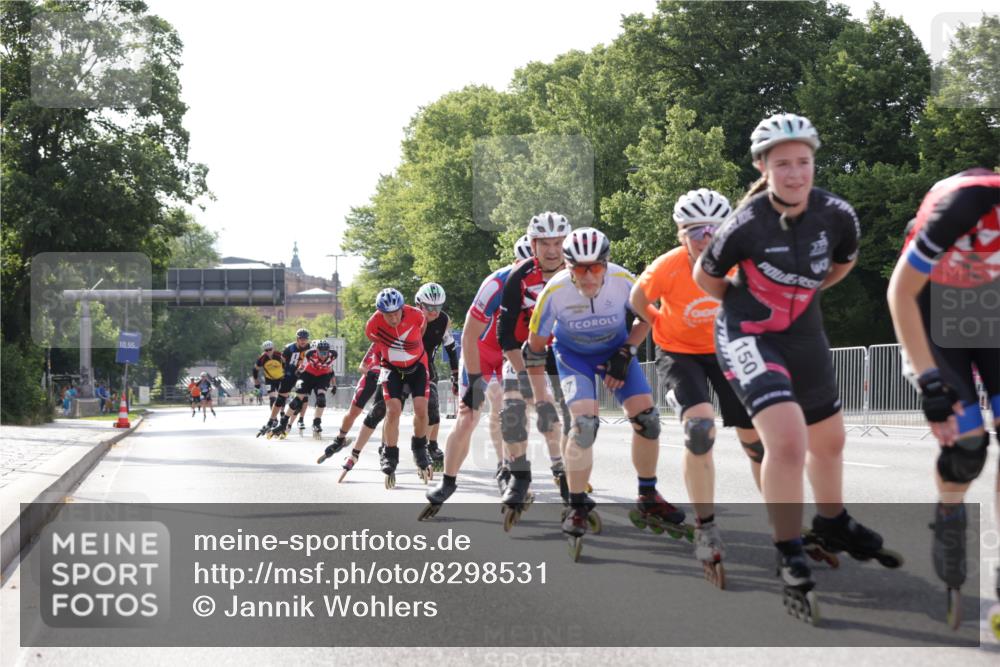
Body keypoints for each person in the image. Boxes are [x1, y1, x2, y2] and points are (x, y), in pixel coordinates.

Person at [693, 112, 899, 621]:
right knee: (787, 443)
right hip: (749, 332)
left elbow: (843, 263)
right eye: (782, 163)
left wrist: (800, 295)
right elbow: (706, 277)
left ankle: (832, 521)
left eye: (803, 162)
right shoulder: (746, 222)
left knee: (831, 441)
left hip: (804, 332)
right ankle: (788, 553)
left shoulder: (837, 214)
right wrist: (748, 302)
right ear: (762, 167)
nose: (795, 173)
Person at [887, 167, 1000, 629]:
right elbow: (901, 292)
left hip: (991, 304)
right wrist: (930, 383)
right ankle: (950, 512)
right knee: (968, 447)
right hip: (931, 301)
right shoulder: (966, 203)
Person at [631, 188, 762, 585]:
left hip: (726, 349)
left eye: (714, 230)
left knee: (757, 442)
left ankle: (784, 519)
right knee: (700, 430)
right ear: (681, 234)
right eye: (695, 231)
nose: (706, 238)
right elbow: (637, 299)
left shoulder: (740, 262)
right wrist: (659, 322)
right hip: (679, 353)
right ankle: (706, 527)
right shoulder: (668, 266)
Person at [527, 227, 678, 558]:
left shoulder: (623, 280)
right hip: (574, 358)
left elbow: (649, 318)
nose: (589, 276)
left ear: (606, 264)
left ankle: (648, 496)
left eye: (596, 267)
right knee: (584, 426)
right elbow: (534, 349)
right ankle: (576, 504)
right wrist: (541, 398)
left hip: (615, 351)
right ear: (568, 266)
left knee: (648, 420)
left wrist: (627, 351)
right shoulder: (554, 292)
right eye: (580, 269)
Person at [420, 238, 529, 519]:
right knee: (468, 417)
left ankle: (506, 469)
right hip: (479, 354)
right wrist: (472, 380)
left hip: (511, 355)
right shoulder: (497, 283)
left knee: (509, 412)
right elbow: (468, 335)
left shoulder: (552, 283)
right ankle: (448, 481)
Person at [495, 212, 573, 522]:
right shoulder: (519, 276)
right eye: (544, 244)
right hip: (525, 349)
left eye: (558, 243)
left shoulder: (580, 270)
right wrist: (524, 375)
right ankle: (519, 475)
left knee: (567, 416)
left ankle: (565, 473)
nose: (552, 251)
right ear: (533, 244)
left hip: (564, 350)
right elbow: (504, 335)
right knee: (512, 412)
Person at [365, 288, 433, 487]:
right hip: (391, 368)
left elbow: (421, 332)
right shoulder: (372, 324)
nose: (393, 318)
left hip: (418, 366)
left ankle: (420, 448)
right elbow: (376, 343)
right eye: (388, 315)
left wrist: (409, 352)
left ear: (402, 308)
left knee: (422, 409)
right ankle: (389, 453)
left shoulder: (417, 315)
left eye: (396, 313)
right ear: (380, 313)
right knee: (393, 411)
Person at [316, 343, 381, 470]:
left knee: (383, 412)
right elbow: (361, 367)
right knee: (353, 412)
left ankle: (387, 449)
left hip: (388, 379)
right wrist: (371, 374)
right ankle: (339, 440)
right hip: (371, 378)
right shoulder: (377, 342)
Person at [271, 339, 337, 438]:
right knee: (297, 400)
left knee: (321, 399)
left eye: (325, 353)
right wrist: (298, 373)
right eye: (321, 353)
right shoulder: (310, 354)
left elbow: (331, 371)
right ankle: (284, 422)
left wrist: (334, 385)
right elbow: (302, 365)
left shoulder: (333, 355)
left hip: (322, 376)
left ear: (328, 351)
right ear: (316, 351)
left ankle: (316, 423)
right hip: (308, 375)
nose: (323, 355)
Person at [266, 329, 313, 438]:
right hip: (289, 374)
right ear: (297, 339)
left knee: (302, 400)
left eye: (305, 339)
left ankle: (292, 423)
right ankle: (271, 420)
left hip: (302, 376)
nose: (303, 341)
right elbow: (281, 362)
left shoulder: (310, 348)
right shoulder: (289, 349)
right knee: (280, 399)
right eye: (301, 339)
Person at [253, 340, 285, 436]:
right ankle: (274, 418)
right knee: (272, 398)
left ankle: (282, 413)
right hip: (269, 380)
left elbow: (286, 364)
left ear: (273, 348)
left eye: (270, 349)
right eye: (266, 350)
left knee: (281, 397)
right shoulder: (262, 358)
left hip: (281, 378)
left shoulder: (279, 355)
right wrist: (256, 381)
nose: (268, 352)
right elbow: (255, 369)